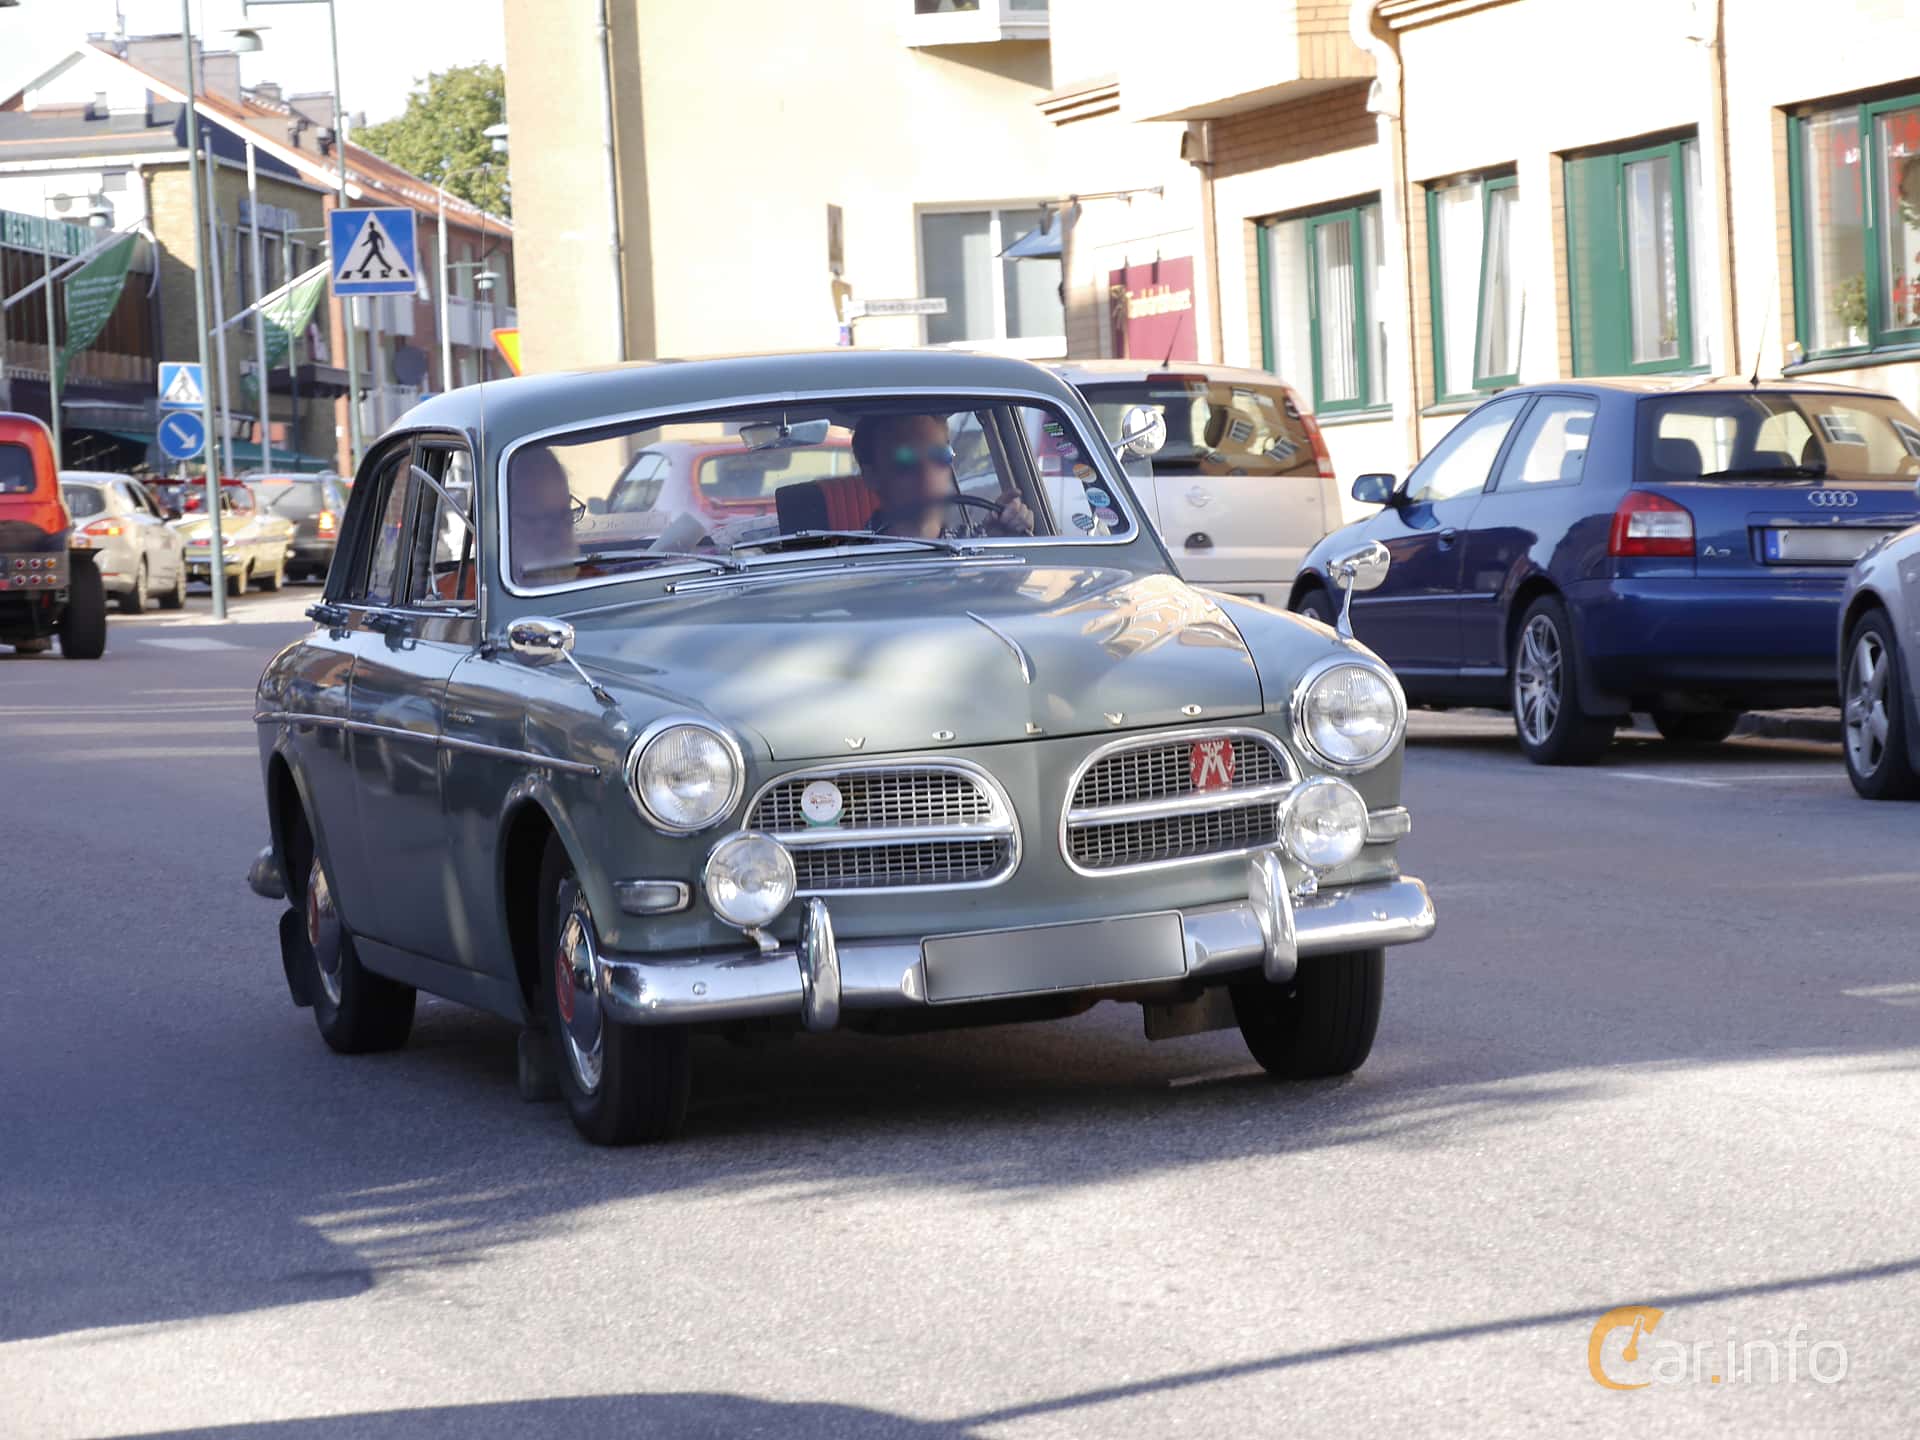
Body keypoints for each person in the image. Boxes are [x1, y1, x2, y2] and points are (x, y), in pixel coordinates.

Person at [851, 413, 1034, 539]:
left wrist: (1004, 541)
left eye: (940, 455)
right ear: (871, 475)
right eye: (906, 459)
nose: (927, 472)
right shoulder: (847, 560)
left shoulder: (975, 544)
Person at [507, 445, 579, 583]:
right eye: (544, 518)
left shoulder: (597, 583)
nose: (560, 531)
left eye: (565, 514)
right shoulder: (473, 590)